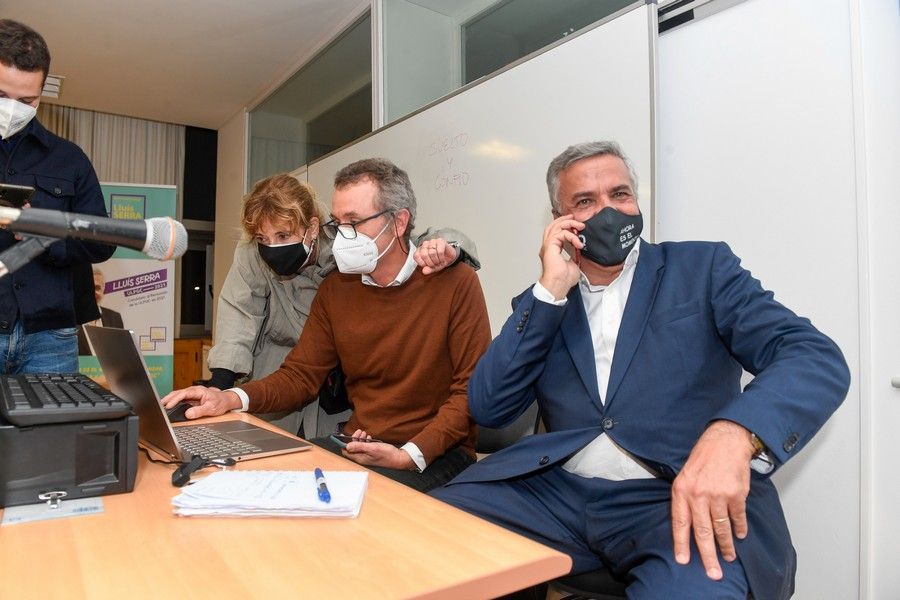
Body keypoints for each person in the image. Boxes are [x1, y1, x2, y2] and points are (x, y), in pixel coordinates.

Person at [430, 141, 850, 599]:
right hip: (556, 493)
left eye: (620, 194)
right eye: (586, 202)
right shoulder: (545, 301)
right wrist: (550, 291)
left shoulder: (702, 268)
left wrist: (736, 433)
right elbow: (489, 406)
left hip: (670, 498)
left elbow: (811, 354)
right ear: (560, 220)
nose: (610, 210)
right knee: (425, 539)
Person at [165, 159, 492, 491]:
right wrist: (227, 397)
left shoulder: (455, 283)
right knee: (266, 481)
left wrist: (409, 454)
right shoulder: (337, 289)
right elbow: (301, 375)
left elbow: (470, 392)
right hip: (360, 442)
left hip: (435, 453)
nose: (342, 235)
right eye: (339, 222)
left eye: (354, 222)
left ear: (398, 222)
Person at [206, 173, 481, 435]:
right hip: (279, 369)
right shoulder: (252, 254)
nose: (271, 246)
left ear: (312, 228)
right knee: (265, 448)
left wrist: (448, 247)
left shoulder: (347, 245)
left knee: (328, 450)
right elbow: (239, 313)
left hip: (337, 371)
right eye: (263, 238)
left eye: (283, 235)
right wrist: (221, 387)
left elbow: (404, 241)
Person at [0, 19, 114, 373]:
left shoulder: (69, 159)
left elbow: (101, 241)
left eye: (27, 100)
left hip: (50, 336)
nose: (12, 109)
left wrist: (45, 236)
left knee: (52, 429)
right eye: (1, 96)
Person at [76, 267, 124, 355]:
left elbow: (120, 353)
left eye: (97, 288)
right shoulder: (69, 319)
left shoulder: (115, 318)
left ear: (103, 290)